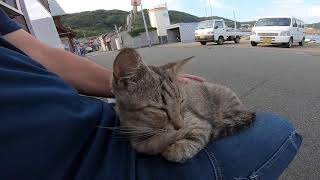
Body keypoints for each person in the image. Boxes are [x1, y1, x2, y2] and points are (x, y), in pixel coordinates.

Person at [0, 8, 302, 180]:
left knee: (254, 119)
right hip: (86, 162)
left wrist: (166, 88)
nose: (177, 122)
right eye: (163, 112)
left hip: (89, 130)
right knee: (280, 130)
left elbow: (41, 53)